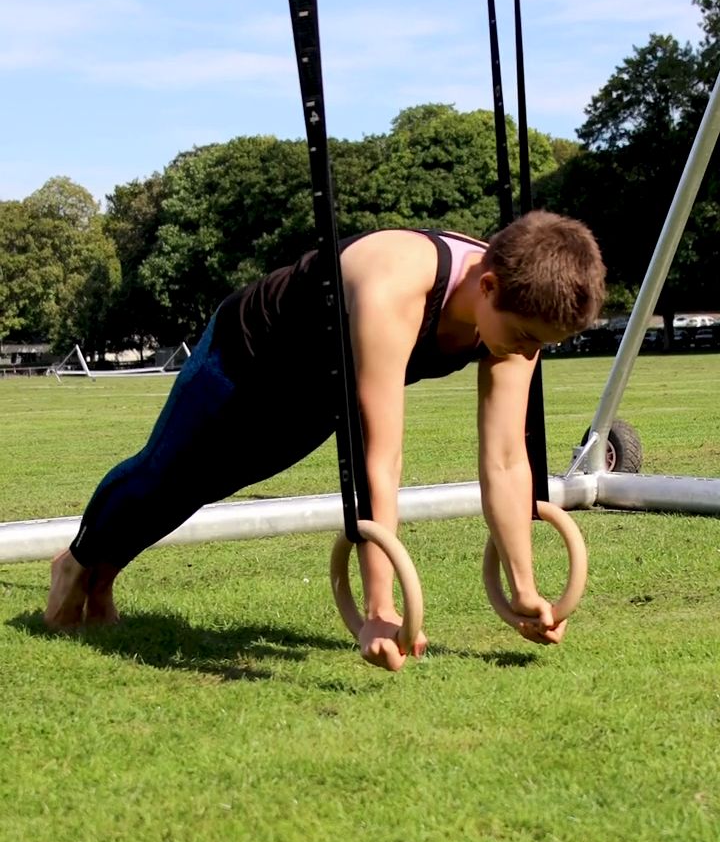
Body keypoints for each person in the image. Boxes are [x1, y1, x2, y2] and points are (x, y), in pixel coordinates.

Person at [45, 210, 606, 672]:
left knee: (207, 486)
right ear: (488, 286)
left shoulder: (520, 314)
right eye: (529, 337)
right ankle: (78, 564)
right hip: (248, 357)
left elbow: (507, 462)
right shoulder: (397, 284)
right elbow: (378, 460)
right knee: (167, 471)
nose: (530, 350)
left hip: (319, 394)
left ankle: (102, 577)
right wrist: (380, 607)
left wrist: (525, 590)